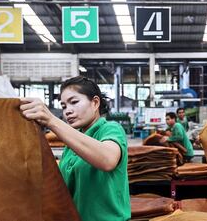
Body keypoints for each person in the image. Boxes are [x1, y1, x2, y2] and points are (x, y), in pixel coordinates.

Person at [19, 76, 131, 221]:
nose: (67, 111)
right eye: (64, 106)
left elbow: (108, 160)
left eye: (74, 102)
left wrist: (52, 120)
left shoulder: (110, 129)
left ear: (95, 103)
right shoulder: (72, 141)